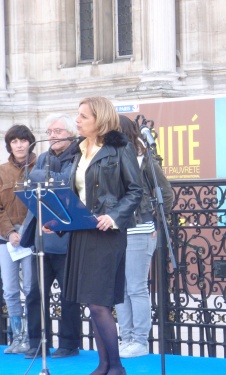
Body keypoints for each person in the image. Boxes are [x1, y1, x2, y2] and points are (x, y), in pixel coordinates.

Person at [59, 97, 142, 375]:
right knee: (93, 303)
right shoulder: (78, 149)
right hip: (82, 232)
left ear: (100, 120)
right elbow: (76, 195)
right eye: (78, 115)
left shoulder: (120, 149)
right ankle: (103, 364)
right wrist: (58, 223)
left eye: (83, 116)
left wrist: (114, 215)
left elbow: (135, 191)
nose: (78, 120)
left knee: (98, 302)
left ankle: (116, 367)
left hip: (107, 233)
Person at [24, 114, 82, 359]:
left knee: (69, 295)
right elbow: (32, 187)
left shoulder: (78, 156)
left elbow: (68, 187)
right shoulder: (44, 157)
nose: (52, 136)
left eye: (58, 131)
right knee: (35, 292)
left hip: (67, 237)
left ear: (70, 133)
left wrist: (43, 179)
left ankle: (69, 344)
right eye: (49, 132)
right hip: (41, 237)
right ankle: (37, 342)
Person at [115, 115, 174, 358]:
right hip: (116, 229)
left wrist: (152, 220)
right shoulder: (110, 159)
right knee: (120, 287)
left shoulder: (143, 158)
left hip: (140, 228)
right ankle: (125, 337)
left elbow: (166, 195)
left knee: (136, 286)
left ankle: (139, 340)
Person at [0, 124, 36, 354]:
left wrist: (25, 231)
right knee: (11, 290)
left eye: (23, 140)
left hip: (31, 237)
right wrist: (9, 232)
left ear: (30, 142)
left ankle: (33, 337)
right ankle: (17, 336)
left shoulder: (40, 166)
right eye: (15, 141)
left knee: (32, 288)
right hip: (6, 239)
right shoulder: (2, 170)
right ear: (9, 145)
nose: (19, 145)